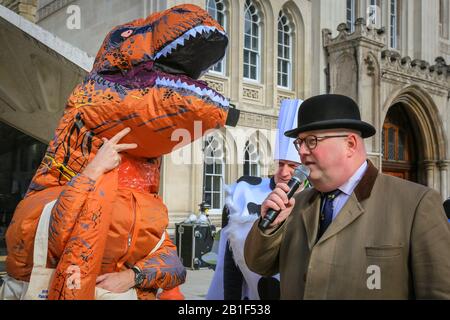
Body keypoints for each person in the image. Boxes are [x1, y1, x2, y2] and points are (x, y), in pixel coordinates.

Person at [244, 94, 450, 299]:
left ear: (350, 144)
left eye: (312, 141)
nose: (302, 152)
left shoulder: (416, 204)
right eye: (300, 143)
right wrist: (269, 226)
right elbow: (258, 265)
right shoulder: (293, 204)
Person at [207, 99, 304, 300]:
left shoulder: (318, 201)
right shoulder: (244, 192)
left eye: (293, 166)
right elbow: (231, 263)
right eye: (281, 164)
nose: (284, 173)